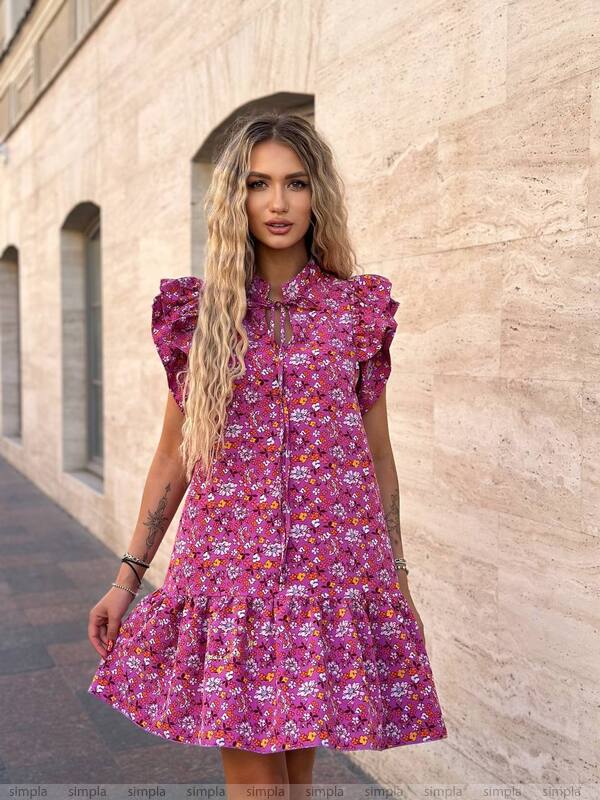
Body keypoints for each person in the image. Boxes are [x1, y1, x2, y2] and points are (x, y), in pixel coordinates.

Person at [87, 111, 448, 793]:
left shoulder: (354, 311)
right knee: (257, 785)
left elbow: (377, 459)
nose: (277, 203)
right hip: (231, 582)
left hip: (328, 579)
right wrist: (127, 576)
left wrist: (396, 576)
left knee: (294, 780)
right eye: (258, 184)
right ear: (236, 198)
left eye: (295, 183)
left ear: (319, 196)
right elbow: (173, 458)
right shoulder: (203, 317)